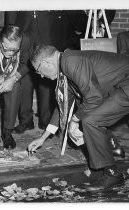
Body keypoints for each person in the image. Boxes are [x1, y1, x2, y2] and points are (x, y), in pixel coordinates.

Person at [28, 44, 129, 191]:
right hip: (120, 87)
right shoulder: (65, 68)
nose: (42, 76)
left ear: (46, 62)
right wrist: (43, 138)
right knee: (89, 118)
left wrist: (74, 121)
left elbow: (94, 98)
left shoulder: (70, 62)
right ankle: (111, 147)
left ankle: (112, 173)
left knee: (90, 121)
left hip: (126, 84)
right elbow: (62, 107)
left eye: (38, 71)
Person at [5, 10, 89, 134]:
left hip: (49, 38)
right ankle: (25, 121)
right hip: (24, 38)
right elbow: (10, 15)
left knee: (46, 84)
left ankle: (47, 122)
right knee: (24, 83)